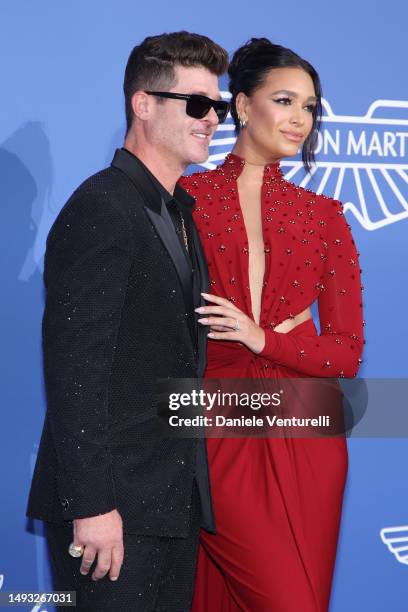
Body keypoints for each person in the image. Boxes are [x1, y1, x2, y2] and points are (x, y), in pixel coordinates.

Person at [27, 31, 229, 611]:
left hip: (171, 499)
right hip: (110, 509)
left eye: (216, 106)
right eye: (196, 104)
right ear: (143, 104)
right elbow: (76, 367)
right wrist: (91, 505)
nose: (212, 118)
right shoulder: (103, 207)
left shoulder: (181, 214)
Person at [180, 37, 364, 611]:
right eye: (284, 100)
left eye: (310, 106)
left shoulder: (325, 216)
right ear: (240, 105)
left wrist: (263, 337)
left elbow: (347, 353)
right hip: (216, 419)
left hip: (308, 429)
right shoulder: (184, 198)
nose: (300, 119)